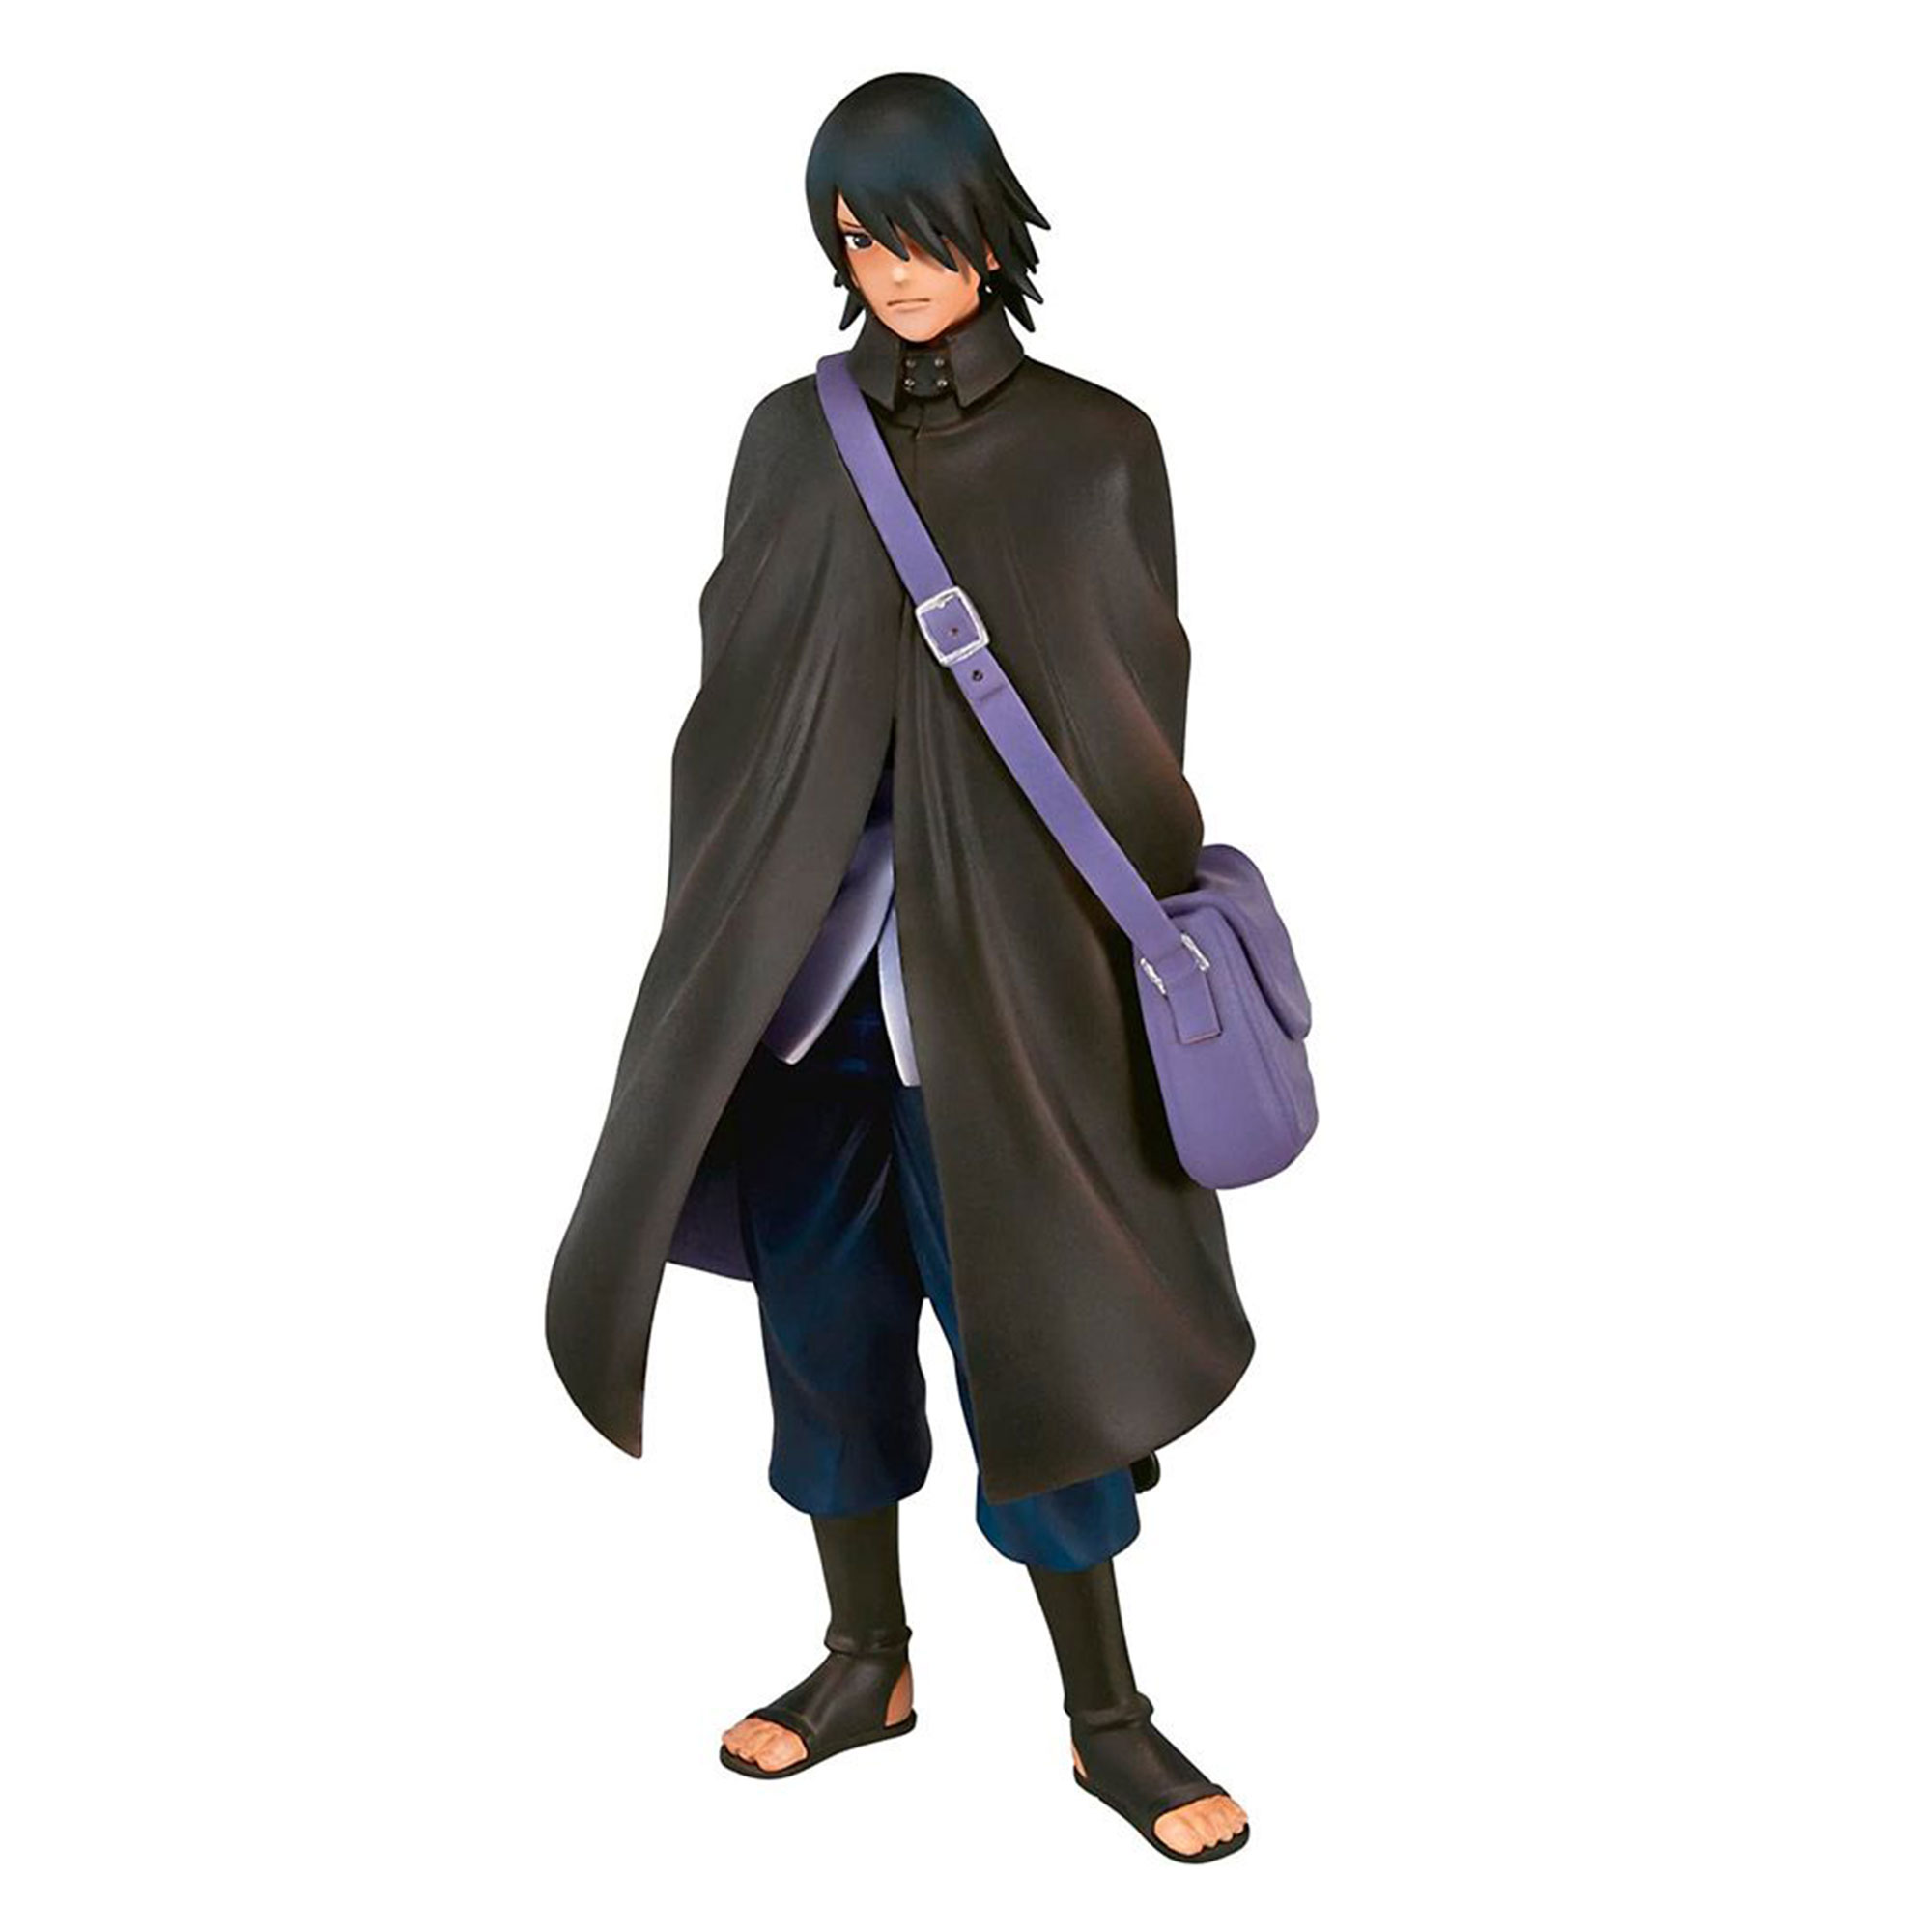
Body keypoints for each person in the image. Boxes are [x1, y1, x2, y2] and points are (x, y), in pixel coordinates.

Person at [548, 72, 1254, 1862]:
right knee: (825, 1345)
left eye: (921, 230)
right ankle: (866, 1661)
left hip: (1005, 1006)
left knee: (1047, 1360)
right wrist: (742, 899)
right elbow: (737, 698)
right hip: (805, 1005)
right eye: (858, 237)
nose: (893, 267)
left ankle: (1109, 1722)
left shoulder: (1096, 444)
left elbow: (1133, 722)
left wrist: (1056, 929)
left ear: (990, 227)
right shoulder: (792, 440)